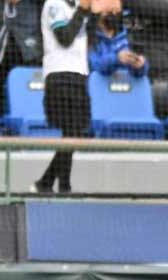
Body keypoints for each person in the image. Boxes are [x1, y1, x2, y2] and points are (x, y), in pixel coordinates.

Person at [34, 0, 91, 195]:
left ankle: (47, 182)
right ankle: (62, 186)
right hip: (60, 76)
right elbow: (64, 37)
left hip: (79, 76)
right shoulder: (54, 4)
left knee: (74, 134)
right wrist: (83, 10)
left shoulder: (78, 7)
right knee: (71, 133)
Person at [89, 1, 148, 77]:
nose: (114, 12)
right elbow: (93, 66)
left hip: (124, 86)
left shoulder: (125, 35)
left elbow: (138, 74)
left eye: (116, 9)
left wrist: (140, 65)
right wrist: (117, 59)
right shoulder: (88, 36)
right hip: (97, 86)